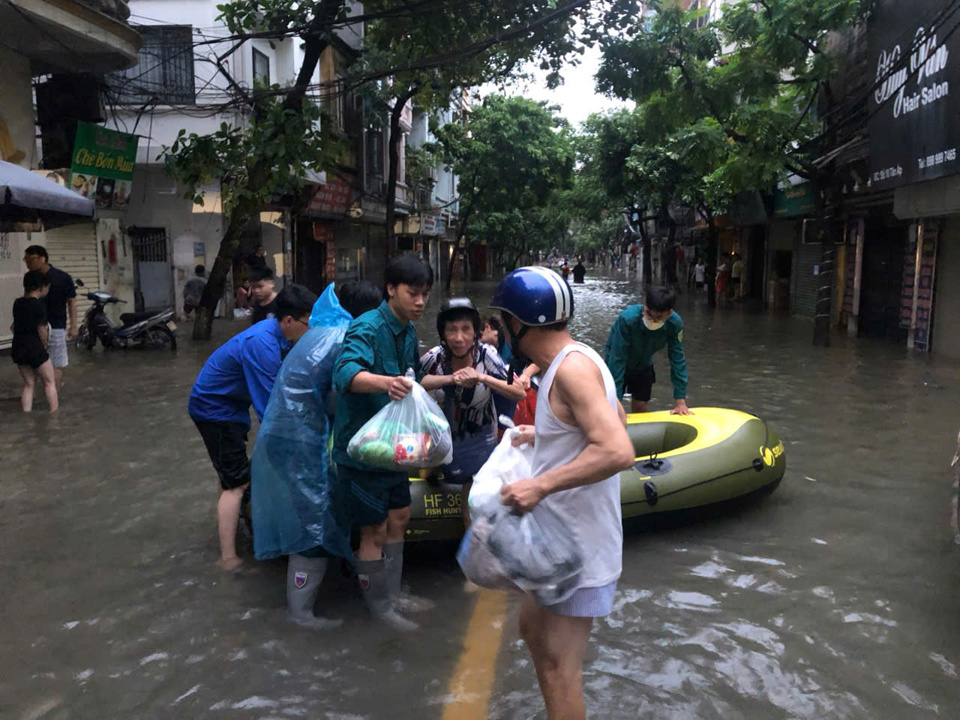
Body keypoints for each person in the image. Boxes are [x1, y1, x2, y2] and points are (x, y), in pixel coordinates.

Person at [489, 266, 634, 720]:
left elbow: (617, 448)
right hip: (557, 543)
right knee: (532, 631)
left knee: (557, 668)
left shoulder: (570, 371)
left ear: (518, 323)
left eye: (502, 320)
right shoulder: (577, 359)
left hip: (577, 548)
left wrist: (540, 483)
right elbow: (618, 421)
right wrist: (547, 435)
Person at [251, 281, 383, 629]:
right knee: (313, 527)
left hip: (286, 436)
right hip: (300, 443)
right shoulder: (343, 340)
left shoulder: (323, 330)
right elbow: (341, 399)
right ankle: (300, 615)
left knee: (313, 518)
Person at [332, 253, 439, 632]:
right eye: (414, 293)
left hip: (394, 448)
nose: (421, 302)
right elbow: (344, 373)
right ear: (391, 290)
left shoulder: (408, 330)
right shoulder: (367, 327)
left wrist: (455, 381)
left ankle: (394, 592)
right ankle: (381, 608)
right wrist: (384, 382)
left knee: (400, 517)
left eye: (425, 294)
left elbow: (413, 378)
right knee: (373, 529)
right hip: (362, 451)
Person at [189, 284, 317, 572]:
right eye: (309, 323)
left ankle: (227, 533)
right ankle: (228, 558)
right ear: (289, 321)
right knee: (237, 482)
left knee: (228, 475)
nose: (311, 330)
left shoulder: (278, 337)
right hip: (215, 410)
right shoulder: (263, 345)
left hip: (229, 407)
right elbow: (270, 408)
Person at [420, 299, 526, 526]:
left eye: (466, 329)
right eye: (452, 330)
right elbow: (414, 381)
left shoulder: (486, 355)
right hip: (445, 433)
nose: (459, 338)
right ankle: (435, 473)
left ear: (476, 332)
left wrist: (481, 377)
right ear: (443, 333)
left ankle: (474, 556)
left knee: (470, 505)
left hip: (480, 435)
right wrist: (450, 379)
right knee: (435, 470)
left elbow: (518, 392)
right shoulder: (434, 357)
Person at [604, 285, 692, 416]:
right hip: (616, 361)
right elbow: (617, 359)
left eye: (658, 317)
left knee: (640, 406)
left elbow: (677, 359)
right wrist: (615, 404)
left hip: (644, 363)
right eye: (649, 314)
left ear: (669, 313)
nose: (652, 320)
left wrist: (680, 401)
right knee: (611, 407)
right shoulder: (627, 319)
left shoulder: (674, 324)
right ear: (645, 306)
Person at [23, 245, 76, 390]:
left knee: (55, 365)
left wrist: (73, 326)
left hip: (56, 327)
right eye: (25, 260)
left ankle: (54, 395)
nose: (27, 263)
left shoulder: (62, 278)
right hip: (34, 328)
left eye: (30, 260)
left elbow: (71, 302)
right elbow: (26, 302)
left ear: (42, 259)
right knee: (36, 365)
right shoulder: (31, 278)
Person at [10, 270, 58, 412]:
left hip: (18, 348)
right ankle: (54, 414)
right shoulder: (39, 305)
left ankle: (27, 414)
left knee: (29, 384)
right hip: (34, 348)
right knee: (50, 382)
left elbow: (13, 326)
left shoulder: (17, 303)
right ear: (40, 287)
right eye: (47, 286)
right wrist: (44, 345)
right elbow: (42, 330)